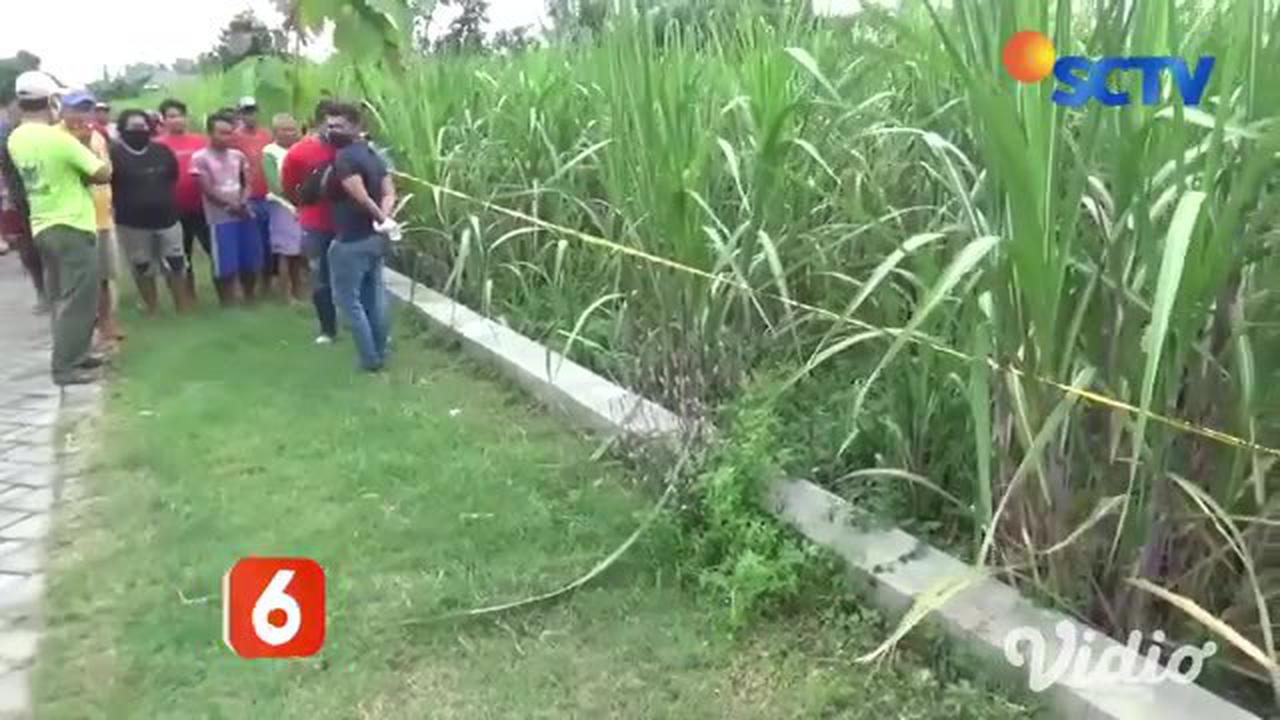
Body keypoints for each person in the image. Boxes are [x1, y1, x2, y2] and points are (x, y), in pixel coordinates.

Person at [6, 71, 112, 385]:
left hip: (42, 224)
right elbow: (102, 173)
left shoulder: (16, 137)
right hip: (71, 225)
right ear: (51, 101)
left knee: (62, 296)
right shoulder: (59, 139)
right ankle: (67, 367)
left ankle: (76, 354)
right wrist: (83, 145)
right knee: (79, 299)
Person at [325, 102, 396, 373]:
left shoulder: (344, 158)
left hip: (351, 239)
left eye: (339, 126)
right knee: (373, 297)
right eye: (330, 125)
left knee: (348, 301)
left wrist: (380, 217)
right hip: (374, 238)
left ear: (356, 126)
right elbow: (388, 191)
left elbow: (359, 194)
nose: (333, 131)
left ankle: (369, 359)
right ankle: (379, 352)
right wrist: (384, 220)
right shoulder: (371, 153)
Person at [111, 109, 191, 315]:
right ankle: (151, 307)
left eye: (143, 127)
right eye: (134, 128)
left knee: (176, 263)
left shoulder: (162, 152)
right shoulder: (114, 155)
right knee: (142, 266)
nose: (140, 131)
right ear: (123, 130)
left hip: (168, 219)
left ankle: (182, 308)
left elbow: (172, 177)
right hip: (132, 223)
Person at [61, 90, 123, 350]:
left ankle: (107, 323)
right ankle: (85, 333)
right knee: (83, 282)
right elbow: (83, 175)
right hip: (77, 218)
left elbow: (107, 173)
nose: (81, 115)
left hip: (102, 215)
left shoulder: (97, 135)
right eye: (75, 109)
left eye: (86, 109)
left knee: (105, 276)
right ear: (63, 111)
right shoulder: (58, 138)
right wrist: (83, 145)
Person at [281, 99, 339, 344]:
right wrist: (304, 207)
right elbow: (289, 186)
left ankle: (363, 324)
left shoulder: (349, 148)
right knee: (320, 274)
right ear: (319, 122)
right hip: (316, 224)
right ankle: (328, 329)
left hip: (348, 222)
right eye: (332, 124)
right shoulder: (299, 152)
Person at [192, 111, 262, 305]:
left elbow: (247, 182)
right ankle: (227, 300)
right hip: (219, 216)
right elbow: (207, 189)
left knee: (249, 257)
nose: (227, 137)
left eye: (230, 132)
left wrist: (243, 201)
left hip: (243, 211)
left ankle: (249, 297)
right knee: (224, 261)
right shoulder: (200, 158)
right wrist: (229, 205)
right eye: (222, 133)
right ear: (210, 133)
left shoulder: (238, 156)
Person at [155, 99, 211, 303]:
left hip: (203, 206)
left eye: (179, 115)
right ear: (163, 120)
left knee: (213, 249)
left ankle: (227, 293)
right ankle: (188, 297)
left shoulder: (200, 141)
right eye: (171, 116)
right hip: (174, 209)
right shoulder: (158, 145)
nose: (176, 120)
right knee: (181, 255)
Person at [0, 96, 46, 310]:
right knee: (28, 250)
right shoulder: (7, 140)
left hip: (48, 199)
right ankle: (42, 292)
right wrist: (9, 198)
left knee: (50, 248)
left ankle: (53, 292)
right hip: (22, 201)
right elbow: (7, 173)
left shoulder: (48, 136)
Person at [262, 113, 306, 303]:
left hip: (302, 204)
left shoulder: (300, 149)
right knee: (285, 252)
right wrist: (293, 199)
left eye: (292, 129)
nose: (290, 133)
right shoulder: (269, 152)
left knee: (298, 251)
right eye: (284, 130)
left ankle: (299, 290)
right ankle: (286, 293)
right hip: (282, 205)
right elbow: (274, 184)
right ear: (275, 132)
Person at [232, 97, 274, 290]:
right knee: (248, 244)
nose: (251, 116)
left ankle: (266, 283)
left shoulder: (267, 135)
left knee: (268, 242)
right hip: (246, 197)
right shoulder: (234, 138)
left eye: (253, 111)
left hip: (268, 196)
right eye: (246, 112)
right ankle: (248, 286)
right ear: (239, 114)